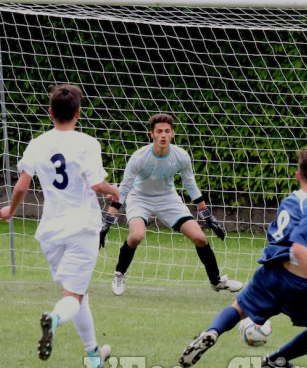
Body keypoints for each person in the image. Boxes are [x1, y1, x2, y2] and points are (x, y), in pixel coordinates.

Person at [178, 148, 307, 368]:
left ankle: (212, 332)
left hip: (269, 274)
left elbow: (304, 248)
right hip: (298, 285)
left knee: (239, 308)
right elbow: (299, 250)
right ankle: (277, 361)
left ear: (298, 176)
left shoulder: (290, 201)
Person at [0, 84, 119, 368]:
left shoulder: (38, 143)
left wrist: (11, 210)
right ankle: (53, 318)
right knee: (72, 298)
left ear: (51, 113)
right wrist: (118, 191)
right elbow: (97, 185)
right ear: (78, 113)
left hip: (50, 232)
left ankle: (93, 356)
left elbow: (22, 186)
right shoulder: (88, 143)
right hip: (82, 229)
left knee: (79, 293)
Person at [99, 113, 242, 296]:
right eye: (159, 131)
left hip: (168, 198)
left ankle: (216, 281)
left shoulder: (181, 156)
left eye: (167, 131)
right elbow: (124, 189)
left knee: (199, 237)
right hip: (140, 198)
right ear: (152, 134)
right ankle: (119, 274)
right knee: (136, 236)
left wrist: (206, 213)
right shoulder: (139, 157)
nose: (163, 135)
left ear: (172, 133)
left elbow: (190, 184)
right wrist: (108, 220)